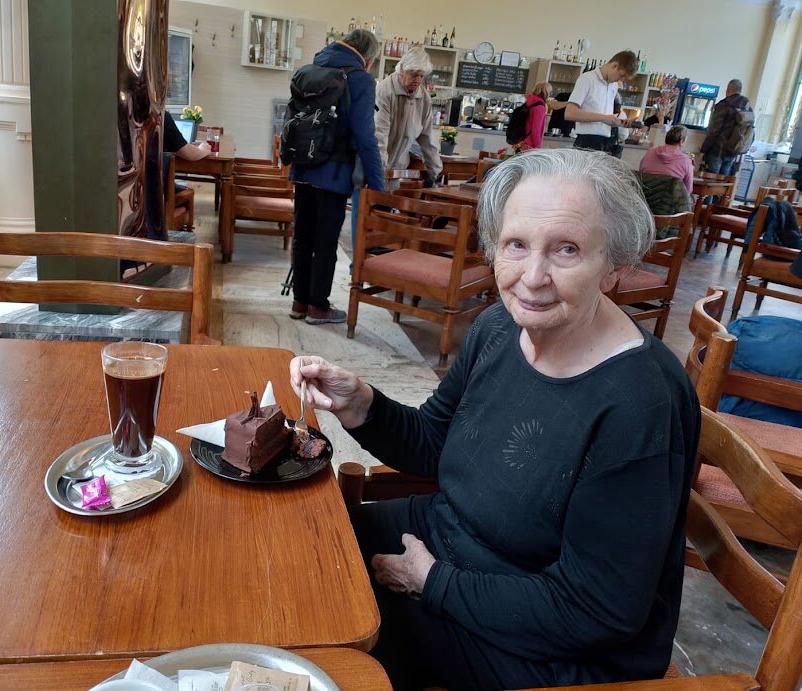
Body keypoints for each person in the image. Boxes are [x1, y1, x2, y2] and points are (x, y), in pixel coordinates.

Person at [290, 148, 700, 690]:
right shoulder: (500, 328)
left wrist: (431, 581)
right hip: (451, 542)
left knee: (322, 651)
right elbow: (435, 443)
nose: (532, 277)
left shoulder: (640, 405)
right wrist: (362, 403)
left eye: (567, 249)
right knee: (299, 550)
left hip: (549, 643)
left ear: (615, 266)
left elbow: (596, 610)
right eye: (516, 245)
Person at [290, 29, 385, 325]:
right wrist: (377, 182)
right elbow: (365, 135)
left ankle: (299, 301)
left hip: (302, 167)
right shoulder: (360, 79)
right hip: (334, 172)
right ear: (368, 59)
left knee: (303, 237)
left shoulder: (310, 69)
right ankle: (318, 306)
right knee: (325, 241)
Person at [350, 46, 442, 251]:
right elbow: (379, 136)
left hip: (395, 168)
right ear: (401, 70)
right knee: (364, 217)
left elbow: (428, 137)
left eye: (421, 76)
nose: (417, 80)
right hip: (372, 164)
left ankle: (377, 261)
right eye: (413, 74)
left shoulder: (423, 98)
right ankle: (356, 263)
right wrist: (380, 172)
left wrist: (435, 171)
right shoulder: (384, 91)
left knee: (384, 222)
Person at [565, 51, 639, 153]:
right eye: (621, 75)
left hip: (606, 142)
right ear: (614, 65)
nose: (620, 80)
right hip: (586, 142)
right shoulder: (587, 79)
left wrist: (620, 122)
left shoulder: (613, 86)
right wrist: (603, 118)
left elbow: (604, 119)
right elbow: (569, 113)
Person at [700, 79, 754, 175]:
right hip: (734, 151)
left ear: (728, 89)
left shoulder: (723, 105)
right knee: (724, 180)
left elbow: (714, 130)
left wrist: (704, 149)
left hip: (718, 150)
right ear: (740, 90)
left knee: (709, 180)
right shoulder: (747, 107)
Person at [639, 124, 694, 192]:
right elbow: (688, 190)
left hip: (644, 196)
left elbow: (641, 173)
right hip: (669, 198)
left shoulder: (650, 152)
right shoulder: (686, 161)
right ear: (681, 141)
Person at [518, 81, 550, 149]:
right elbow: (536, 129)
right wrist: (538, 146)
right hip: (530, 143)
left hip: (522, 140)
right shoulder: (540, 107)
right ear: (546, 93)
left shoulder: (530, 103)